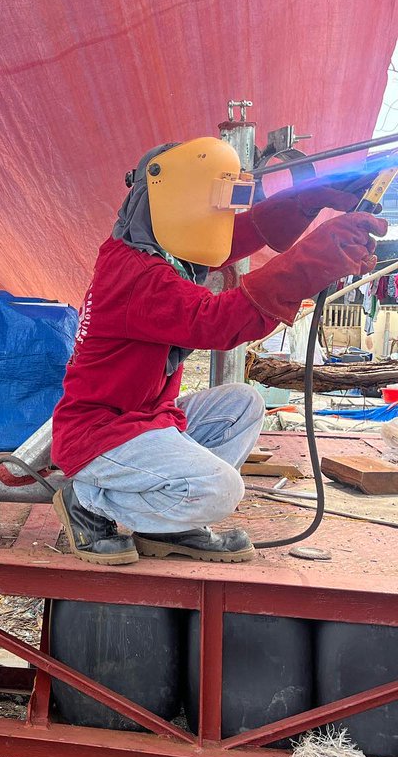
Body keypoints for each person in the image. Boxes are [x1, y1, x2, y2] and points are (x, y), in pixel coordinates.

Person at [51, 136, 386, 565]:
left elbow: (238, 236)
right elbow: (218, 321)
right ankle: (87, 501)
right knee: (222, 490)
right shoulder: (138, 275)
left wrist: (309, 199)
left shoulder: (158, 247)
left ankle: (170, 524)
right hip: (99, 434)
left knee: (242, 403)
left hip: (140, 418)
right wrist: (318, 256)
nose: (219, 217)